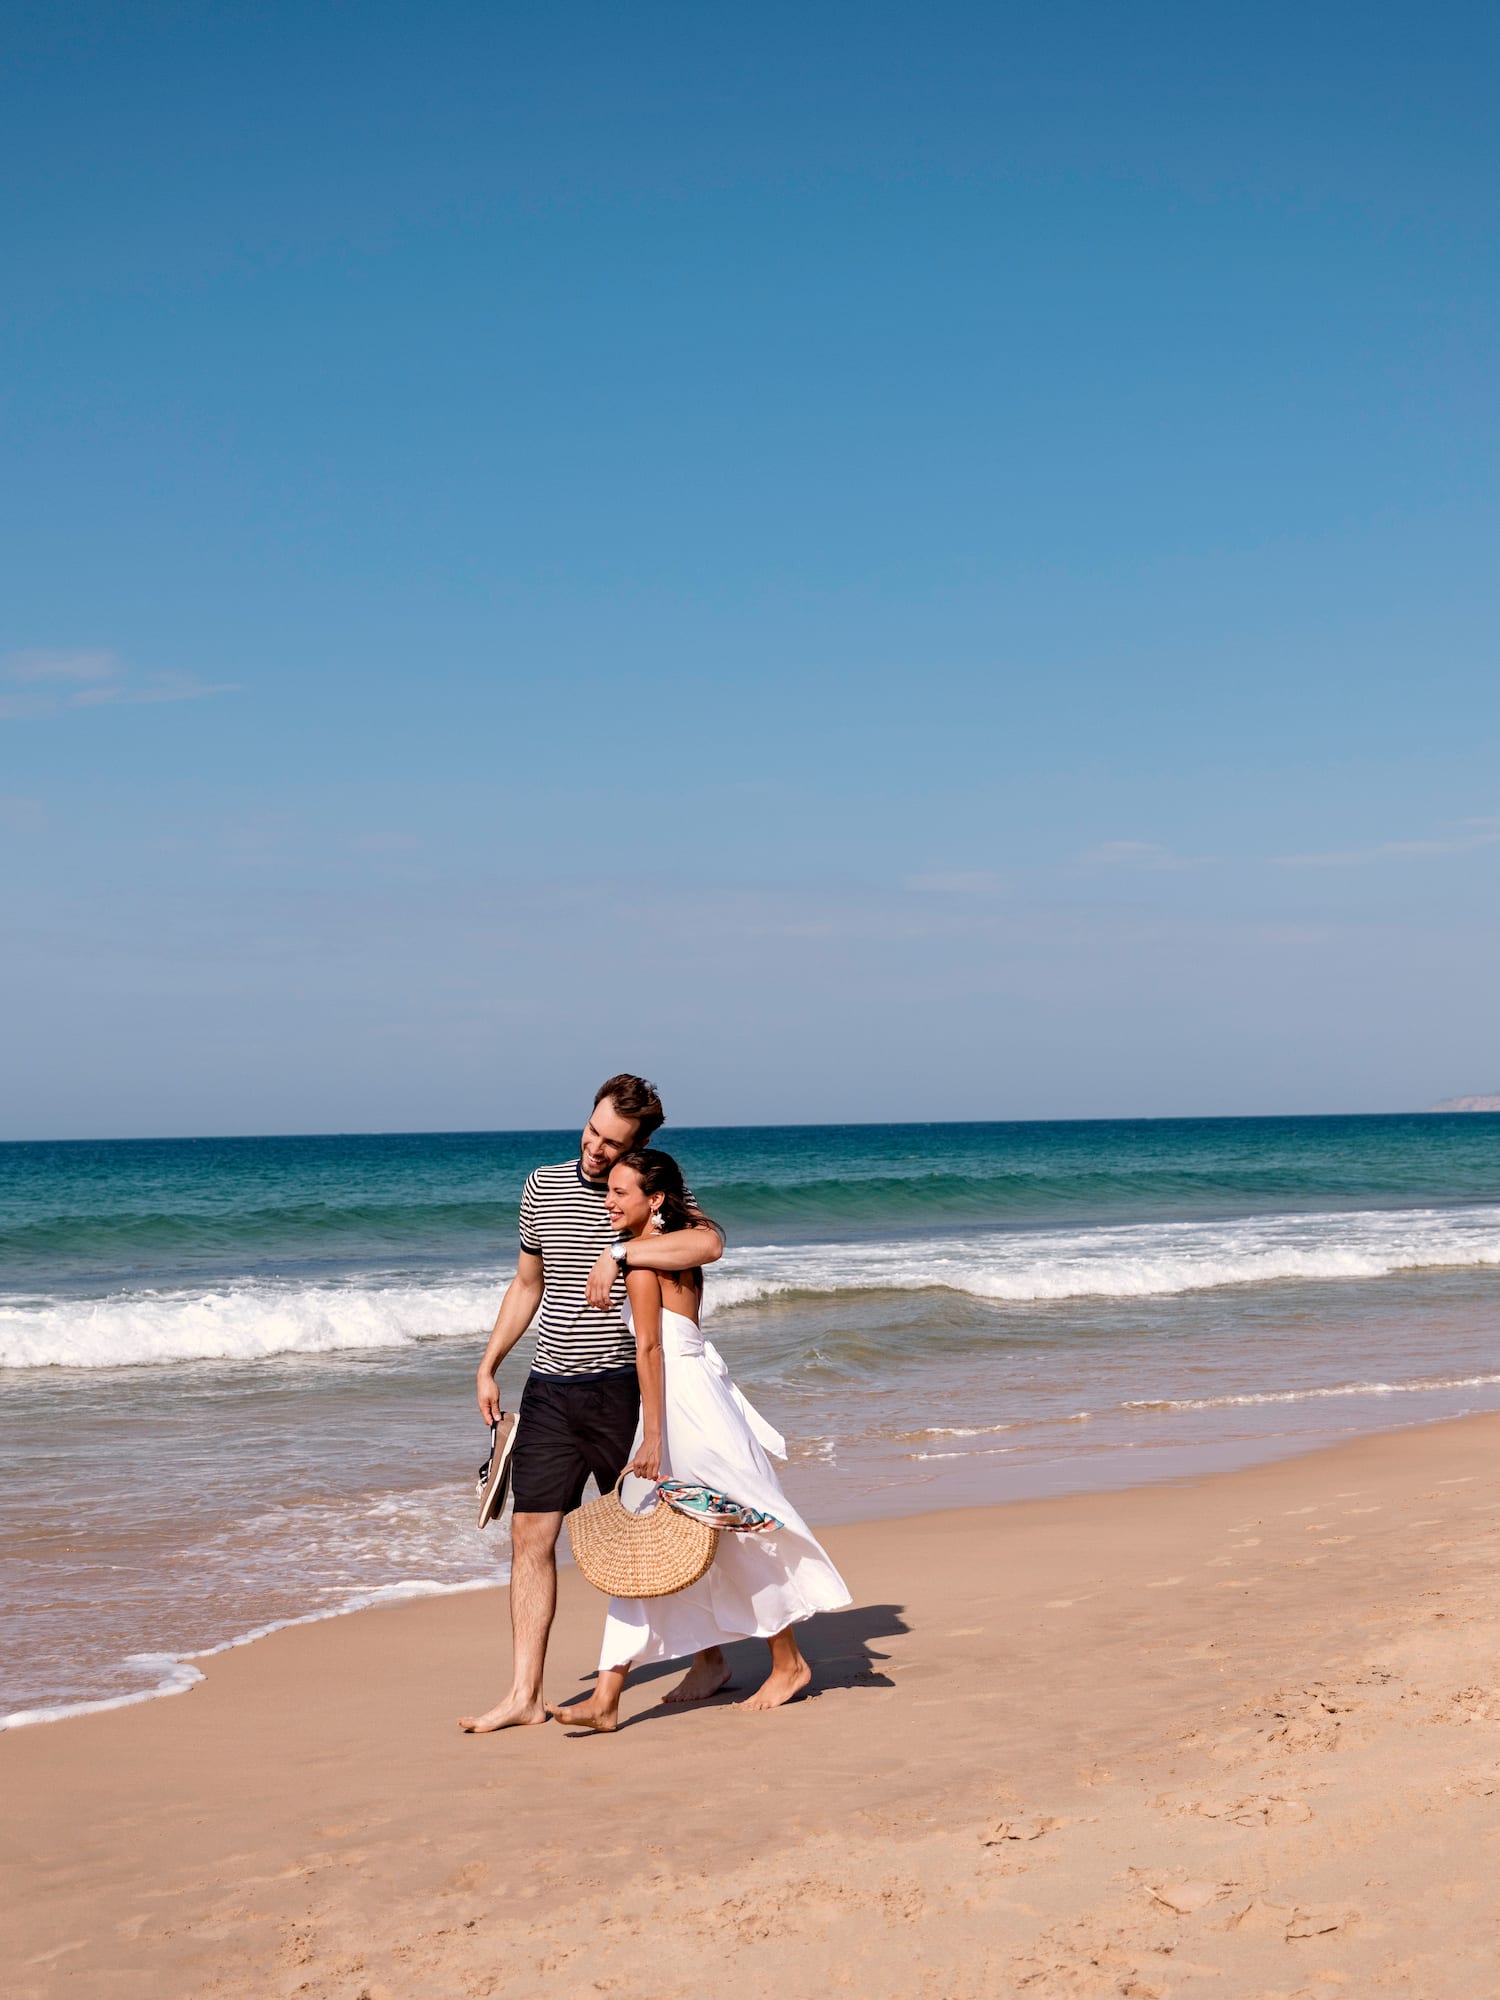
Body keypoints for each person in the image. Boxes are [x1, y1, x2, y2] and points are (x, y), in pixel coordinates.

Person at [548, 1149, 850, 1731]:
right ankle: (635, 1687)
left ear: (653, 1199)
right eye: (606, 1191)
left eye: (619, 1193)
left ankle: (787, 1664)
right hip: (697, 1398)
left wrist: (653, 1436)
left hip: (681, 1407)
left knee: (728, 1532)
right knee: (670, 1537)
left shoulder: (641, 1264)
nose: (607, 1202)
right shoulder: (673, 1244)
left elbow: (650, 1349)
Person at [458, 1076, 726, 1733]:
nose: (596, 1149)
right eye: (593, 1131)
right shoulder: (542, 1186)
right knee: (531, 1535)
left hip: (623, 1390)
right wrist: (489, 1363)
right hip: (549, 1387)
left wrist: (619, 1250)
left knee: (647, 1534)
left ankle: (711, 1657)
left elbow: (709, 1243)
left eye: (613, 1143)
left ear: (636, 1147)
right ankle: (524, 1693)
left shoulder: (648, 1191)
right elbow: (528, 1283)